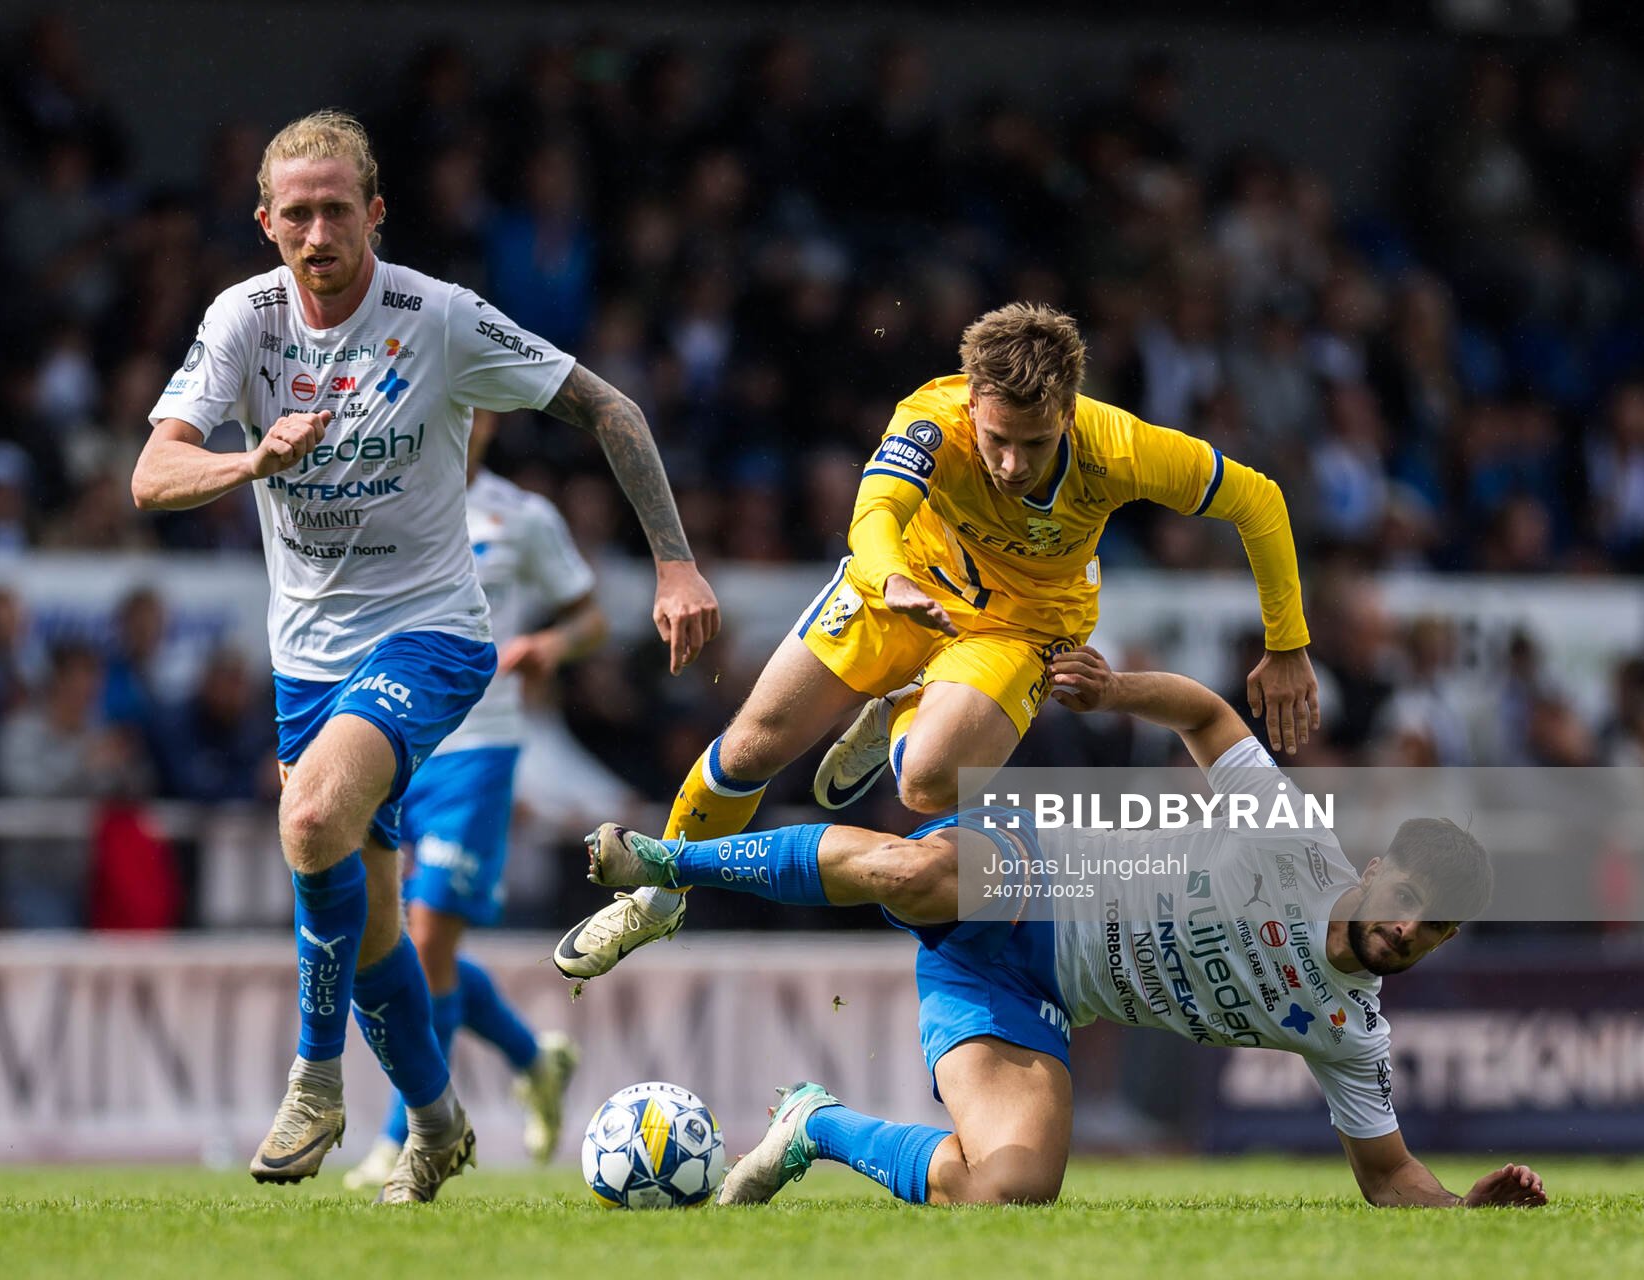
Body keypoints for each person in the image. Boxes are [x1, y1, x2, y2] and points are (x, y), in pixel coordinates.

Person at [130, 110, 717, 1203]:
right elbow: (150, 477)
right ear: (266, 224)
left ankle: (315, 1076)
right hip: (307, 662)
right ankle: (439, 1122)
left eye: (337, 210)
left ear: (376, 213)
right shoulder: (242, 323)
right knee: (376, 934)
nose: (317, 233)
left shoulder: (437, 317)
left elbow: (610, 407)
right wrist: (252, 457)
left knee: (309, 820)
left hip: (436, 634)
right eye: (295, 214)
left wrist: (674, 565)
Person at [576, 648, 1546, 1210]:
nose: (1405, 923)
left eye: (1432, 925)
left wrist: (1463, 1211)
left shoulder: (1352, 1032)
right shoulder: (1293, 838)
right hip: (1038, 861)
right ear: (1376, 868)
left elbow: (1386, 1175)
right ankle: (668, 863)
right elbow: (1208, 716)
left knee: (1010, 1192)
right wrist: (1112, 688)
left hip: (1030, 993)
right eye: (1407, 892)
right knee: (914, 867)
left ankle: (814, 1124)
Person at [555, 302, 1320, 980]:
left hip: (1022, 628)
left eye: (1036, 442)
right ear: (973, 399)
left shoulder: (1122, 448)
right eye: (997, 440)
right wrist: (890, 581)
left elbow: (1260, 499)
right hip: (903, 585)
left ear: (1068, 410)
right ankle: (656, 901)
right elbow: (875, 514)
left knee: (922, 785)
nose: (1013, 463)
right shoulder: (931, 418)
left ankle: (898, 711)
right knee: (753, 747)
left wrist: (1287, 645)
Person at [345, 411, 602, 1190]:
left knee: (424, 947)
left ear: (488, 417)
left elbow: (590, 617)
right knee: (405, 941)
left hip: (479, 748)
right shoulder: (380, 501)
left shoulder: (522, 517)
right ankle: (534, 1057)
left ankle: (407, 1138)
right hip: (389, 742)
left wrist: (551, 647)